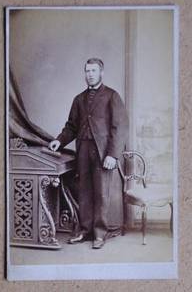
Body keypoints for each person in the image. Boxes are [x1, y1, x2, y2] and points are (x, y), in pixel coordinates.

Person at [49, 58, 127, 249]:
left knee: (102, 193)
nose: (89, 74)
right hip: (83, 151)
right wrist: (59, 141)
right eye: (87, 71)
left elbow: (120, 127)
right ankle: (84, 230)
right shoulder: (79, 99)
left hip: (103, 153)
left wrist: (112, 155)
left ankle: (100, 234)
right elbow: (71, 127)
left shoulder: (112, 96)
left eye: (93, 70)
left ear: (102, 72)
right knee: (84, 192)